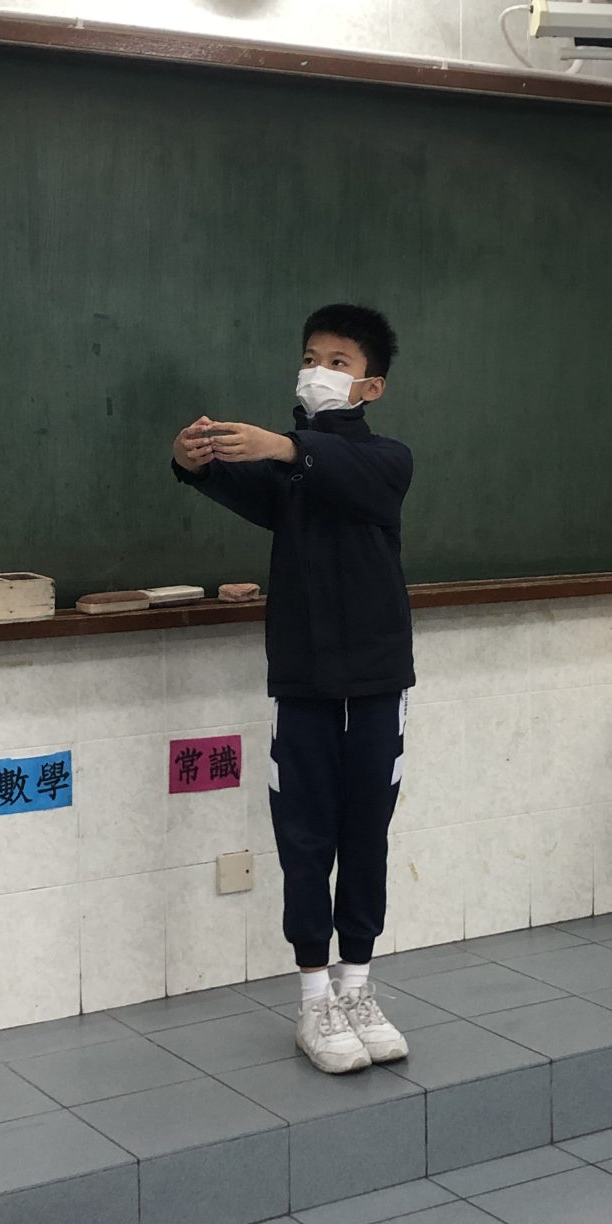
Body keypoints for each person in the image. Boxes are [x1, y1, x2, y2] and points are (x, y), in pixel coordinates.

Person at [171, 304, 414, 1074]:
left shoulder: (387, 461)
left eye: (338, 362)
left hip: (377, 681)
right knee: (305, 839)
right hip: (303, 682)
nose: (318, 371)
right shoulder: (289, 474)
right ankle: (315, 999)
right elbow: (245, 479)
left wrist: (286, 446)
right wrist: (194, 461)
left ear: (371, 386)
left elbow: (346, 473)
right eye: (311, 357)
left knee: (367, 834)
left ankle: (359, 987)